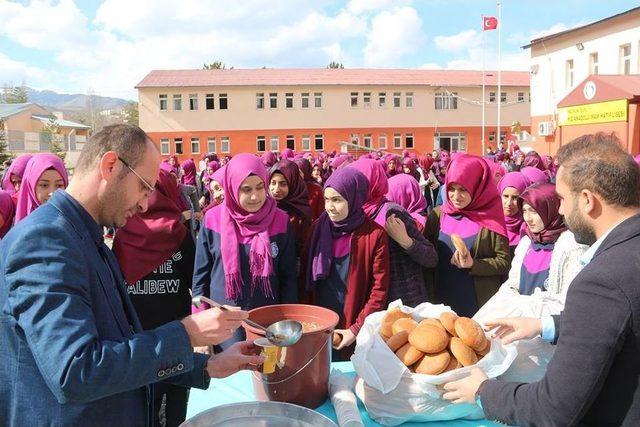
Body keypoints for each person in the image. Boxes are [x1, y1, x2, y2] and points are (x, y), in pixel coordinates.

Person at [0, 124, 263, 427]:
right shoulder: (46, 240)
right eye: (143, 187)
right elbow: (77, 371)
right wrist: (186, 332)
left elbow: (122, 346)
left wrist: (207, 366)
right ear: (110, 166)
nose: (144, 203)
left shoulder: (89, 236)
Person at [443, 133, 640, 426]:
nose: (559, 210)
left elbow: (553, 409)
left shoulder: (599, 281)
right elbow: (623, 318)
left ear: (587, 200)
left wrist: (484, 391)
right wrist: (544, 325)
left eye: (561, 199)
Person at [112, 168, 196, 427]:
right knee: (166, 398)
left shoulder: (126, 232)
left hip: (145, 336)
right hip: (169, 333)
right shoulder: (125, 231)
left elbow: (194, 278)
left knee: (164, 399)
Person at [192, 154, 298, 349]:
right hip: (224, 323)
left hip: (267, 323)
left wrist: (286, 325)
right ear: (232, 188)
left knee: (265, 374)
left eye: (260, 187)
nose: (255, 197)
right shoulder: (212, 219)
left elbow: (288, 278)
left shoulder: (281, 220)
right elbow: (200, 279)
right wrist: (200, 327)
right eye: (246, 189)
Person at [302, 167, 389, 359]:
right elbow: (304, 278)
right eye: (327, 199)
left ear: (355, 199)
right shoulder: (318, 227)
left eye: (337, 200)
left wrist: (355, 329)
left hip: (352, 325)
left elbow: (378, 290)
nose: (329, 207)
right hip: (318, 323)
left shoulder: (374, 235)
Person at [425, 154, 510, 317]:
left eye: (464, 189)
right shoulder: (437, 216)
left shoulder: (490, 218)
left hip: (478, 303)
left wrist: (473, 264)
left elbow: (504, 262)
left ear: (478, 186)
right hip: (441, 301)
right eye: (451, 188)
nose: (456, 196)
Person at [349, 159, 438, 308]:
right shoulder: (353, 213)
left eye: (356, 181)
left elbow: (431, 258)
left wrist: (406, 241)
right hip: (370, 301)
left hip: (401, 303)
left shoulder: (392, 212)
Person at [269, 159, 312, 259]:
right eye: (273, 183)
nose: (276, 189)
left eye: (283, 184)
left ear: (293, 184)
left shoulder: (301, 212)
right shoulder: (264, 208)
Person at [14, 153, 68, 224]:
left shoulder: (73, 220)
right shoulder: (25, 226)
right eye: (44, 185)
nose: (52, 193)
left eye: (59, 185)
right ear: (31, 187)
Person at [498, 171, 529, 257]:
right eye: (505, 196)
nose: (509, 203)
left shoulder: (530, 225)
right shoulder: (491, 223)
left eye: (515, 197)